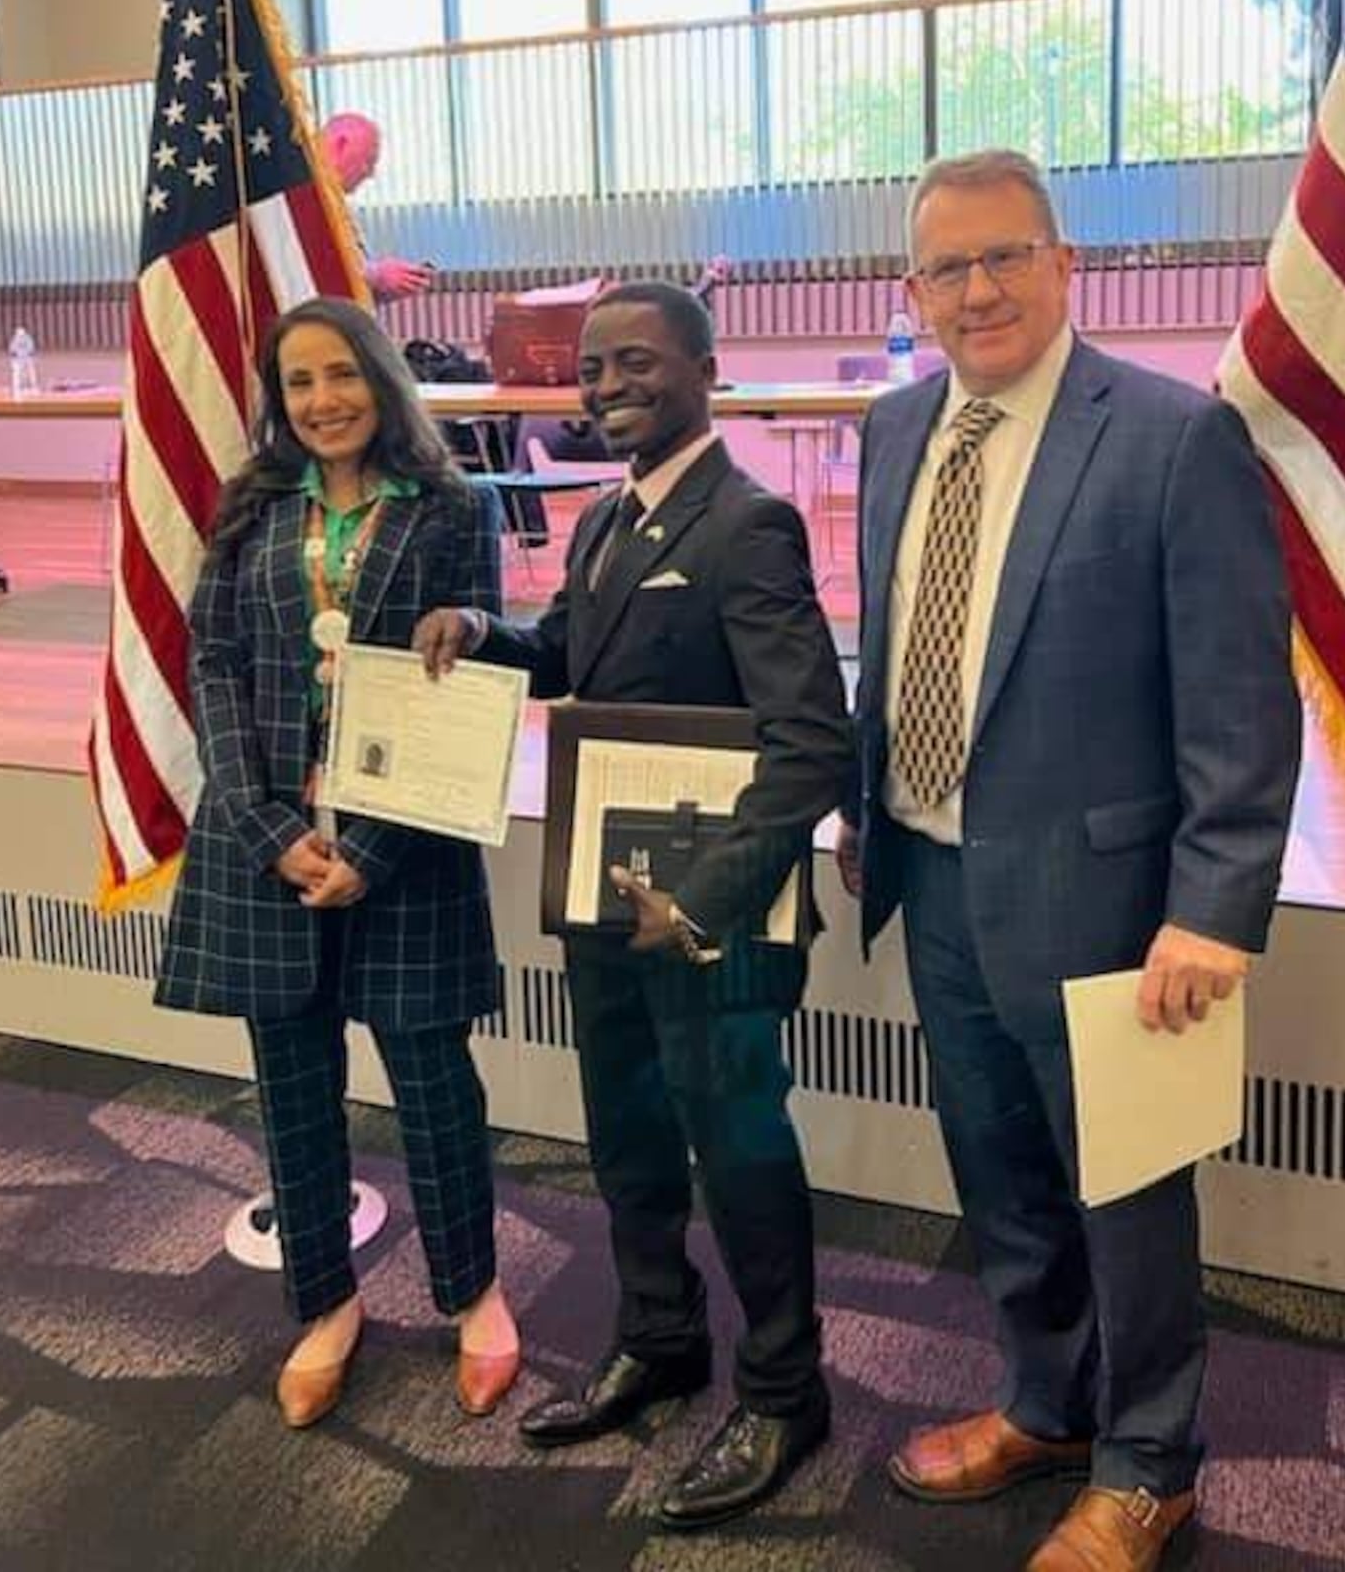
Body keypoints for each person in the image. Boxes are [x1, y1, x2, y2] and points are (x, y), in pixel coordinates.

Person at [838, 151, 1299, 1572]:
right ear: (913, 290)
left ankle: (1151, 1458)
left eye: (1003, 257)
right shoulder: (896, 429)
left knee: (1129, 1188)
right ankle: (1045, 1398)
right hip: (935, 880)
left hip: (1112, 906)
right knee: (1001, 1175)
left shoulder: (1171, 435)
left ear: (1062, 263)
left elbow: (1240, 699)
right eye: (947, 268)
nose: (976, 291)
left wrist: (1213, 905)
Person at [414, 281, 853, 1529]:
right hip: (606, 900)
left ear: (707, 367)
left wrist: (704, 903)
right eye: (593, 368)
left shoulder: (748, 524)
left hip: (709, 916)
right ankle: (660, 1336)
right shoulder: (608, 521)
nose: (607, 386)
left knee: (743, 1152)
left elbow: (811, 745)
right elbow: (567, 657)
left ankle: (783, 1388)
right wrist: (481, 630)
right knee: (629, 1141)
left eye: (638, 364)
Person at [155, 296, 520, 1429]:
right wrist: (272, 833)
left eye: (341, 375)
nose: (322, 401)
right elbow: (210, 663)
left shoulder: (451, 510)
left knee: (434, 1089)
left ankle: (474, 1294)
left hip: (399, 852)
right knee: (294, 1094)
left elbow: (469, 682)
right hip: (268, 850)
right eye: (298, 381)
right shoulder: (253, 507)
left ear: (381, 378)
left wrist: (365, 847)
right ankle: (325, 1302)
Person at [319, 112, 434, 302]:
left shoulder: (338, 206)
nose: (370, 173)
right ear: (340, 145)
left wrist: (387, 287)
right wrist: (375, 275)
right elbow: (313, 269)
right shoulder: (306, 201)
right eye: (369, 161)